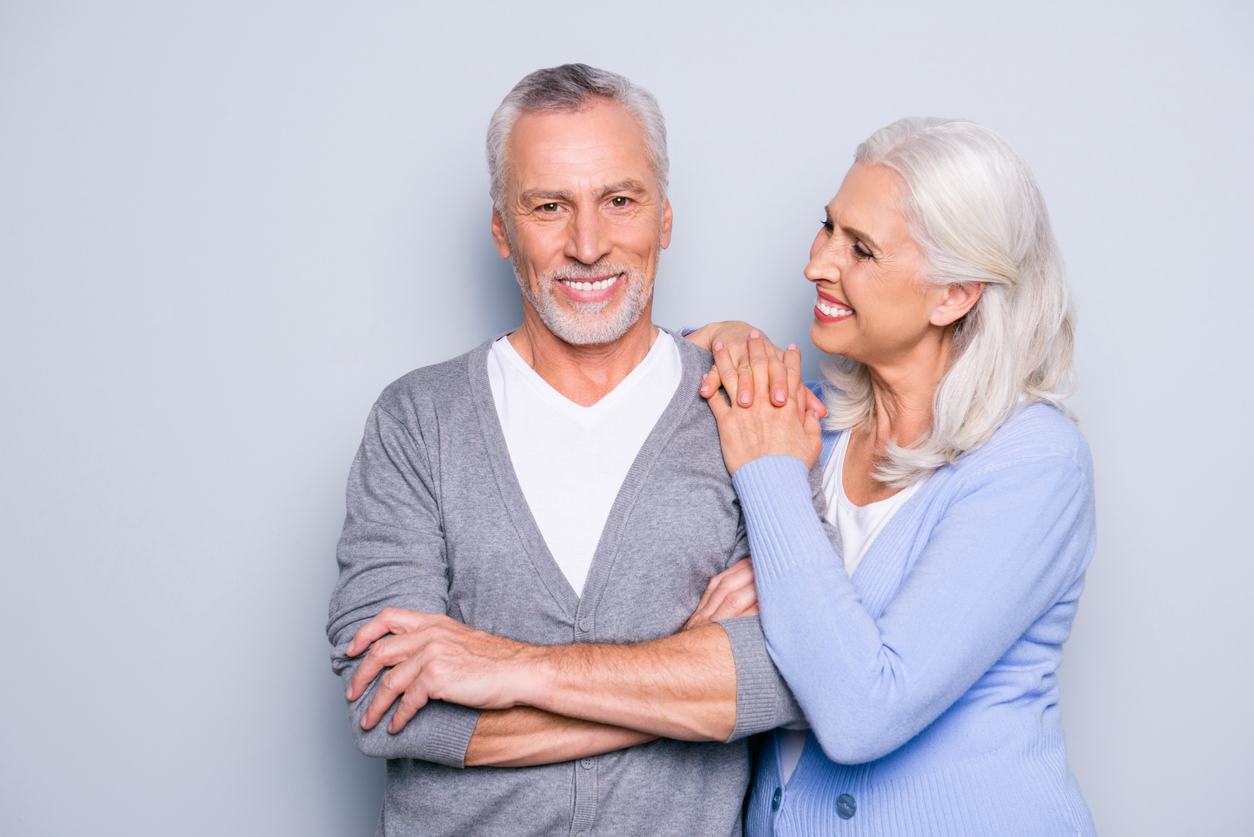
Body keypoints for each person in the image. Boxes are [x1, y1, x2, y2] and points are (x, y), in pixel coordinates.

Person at [326, 63, 804, 837]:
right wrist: (684, 670)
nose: (589, 244)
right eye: (549, 206)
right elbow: (392, 713)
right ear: (501, 230)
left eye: (619, 200)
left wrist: (505, 668)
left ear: (665, 219)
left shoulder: (743, 411)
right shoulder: (419, 420)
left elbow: (784, 677)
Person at [698, 117, 1098, 835]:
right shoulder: (813, 423)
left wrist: (767, 472)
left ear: (954, 294)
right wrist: (736, 344)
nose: (818, 263)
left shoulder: (1035, 463)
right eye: (828, 228)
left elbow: (860, 711)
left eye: (861, 248)